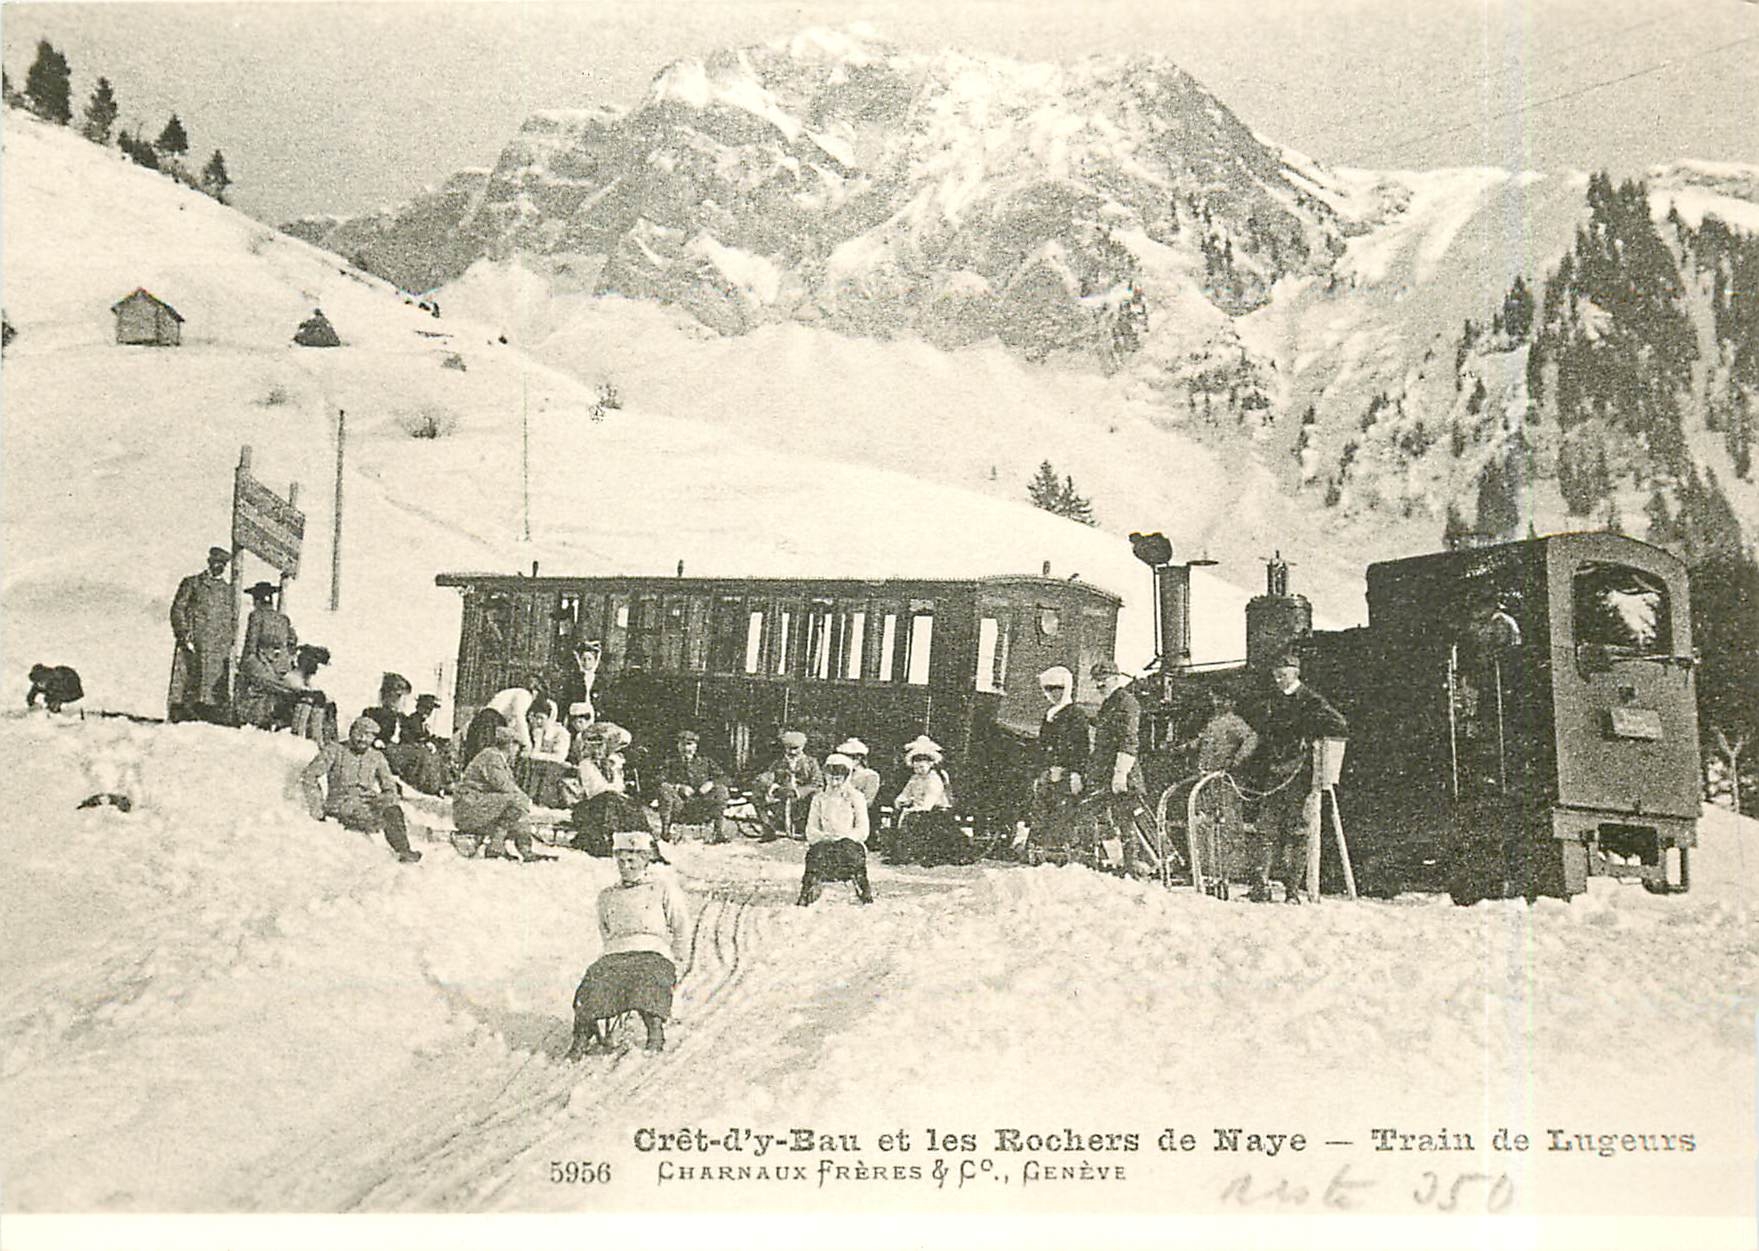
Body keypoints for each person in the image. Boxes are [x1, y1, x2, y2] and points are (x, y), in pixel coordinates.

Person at [567, 829, 692, 1058]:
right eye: (621, 861)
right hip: (617, 951)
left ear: (645, 860)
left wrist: (679, 958)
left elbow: (680, 924)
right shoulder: (608, 895)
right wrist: (611, 952)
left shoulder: (661, 888)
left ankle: (655, 1032)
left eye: (632, 860)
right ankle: (581, 1037)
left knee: (646, 979)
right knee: (595, 980)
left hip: (653, 950)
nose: (626, 866)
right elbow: (606, 930)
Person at [1248, 653, 1347, 904]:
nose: (1278, 680)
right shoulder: (1273, 700)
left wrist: (1311, 738)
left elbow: (1338, 725)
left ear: (1295, 673)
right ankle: (1261, 888)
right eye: (1276, 675)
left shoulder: (1311, 700)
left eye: (1282, 675)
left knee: (1297, 832)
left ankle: (1292, 892)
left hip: (1298, 776)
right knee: (1265, 831)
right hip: (1274, 775)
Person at [299, 715, 422, 863]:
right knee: (373, 819)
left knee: (393, 811)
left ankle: (404, 851)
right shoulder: (335, 750)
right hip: (342, 803)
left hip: (367, 800)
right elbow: (309, 775)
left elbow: (388, 784)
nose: (362, 739)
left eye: (368, 736)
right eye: (359, 734)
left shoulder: (376, 756)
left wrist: (388, 799)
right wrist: (317, 807)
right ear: (351, 733)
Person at [1088, 660, 1149, 875]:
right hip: (1105, 772)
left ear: (1115, 679)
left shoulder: (1126, 703)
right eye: (1096, 681)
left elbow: (1129, 740)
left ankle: (1132, 866)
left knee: (1125, 820)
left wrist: (1120, 773)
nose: (1098, 686)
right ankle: (1117, 861)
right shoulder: (1109, 703)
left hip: (1121, 773)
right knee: (1104, 817)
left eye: (1102, 681)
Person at [452, 723, 542, 861]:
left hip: (479, 805)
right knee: (516, 801)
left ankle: (524, 850)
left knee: (516, 806)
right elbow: (504, 785)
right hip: (469, 806)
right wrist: (525, 800)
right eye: (517, 746)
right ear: (510, 745)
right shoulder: (492, 757)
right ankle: (499, 846)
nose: (517, 751)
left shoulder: (499, 758)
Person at [168, 546, 237, 723]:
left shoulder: (227, 591)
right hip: (193, 645)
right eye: (215, 563)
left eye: (222, 564)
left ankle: (208, 715)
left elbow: (230, 620)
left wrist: (228, 643)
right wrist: (183, 633)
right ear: (209, 562)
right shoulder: (192, 583)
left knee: (211, 689)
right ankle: (182, 715)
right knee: (187, 683)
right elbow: (177, 609)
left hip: (216, 649)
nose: (218, 567)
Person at [1028, 665, 1091, 856]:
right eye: (1047, 689)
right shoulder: (1049, 715)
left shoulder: (1076, 715)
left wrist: (1075, 773)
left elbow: (1081, 747)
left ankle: (1059, 856)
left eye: (1057, 689)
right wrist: (1040, 773)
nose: (1052, 694)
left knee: (1062, 816)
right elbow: (1042, 747)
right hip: (1048, 774)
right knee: (1041, 813)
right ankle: (1040, 854)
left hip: (1065, 775)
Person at [798, 753, 874, 905]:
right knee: (816, 853)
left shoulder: (856, 797)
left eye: (839, 777)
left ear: (846, 777)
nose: (834, 781)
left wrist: (846, 836)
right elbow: (811, 828)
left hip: (848, 841)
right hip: (826, 840)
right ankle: (810, 890)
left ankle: (862, 889)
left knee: (849, 851)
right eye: (831, 776)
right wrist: (823, 836)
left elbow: (863, 828)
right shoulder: (819, 798)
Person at [568, 722, 649, 856]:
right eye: (593, 747)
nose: (597, 751)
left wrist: (613, 769)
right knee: (609, 800)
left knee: (632, 807)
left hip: (613, 803)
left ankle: (645, 845)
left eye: (600, 747)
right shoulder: (585, 765)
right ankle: (607, 843)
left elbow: (619, 787)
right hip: (591, 807)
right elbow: (595, 789)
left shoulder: (612, 765)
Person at [234, 582, 300, 729]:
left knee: (251, 680)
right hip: (282, 666)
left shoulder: (256, 616)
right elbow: (292, 640)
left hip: (264, 664)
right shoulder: (283, 618)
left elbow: (250, 645)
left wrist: (244, 665)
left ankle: (254, 717)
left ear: (256, 600)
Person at [655, 730, 732, 842]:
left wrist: (711, 783)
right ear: (678, 746)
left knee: (721, 790)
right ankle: (665, 832)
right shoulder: (670, 762)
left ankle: (718, 833)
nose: (686, 748)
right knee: (664, 789)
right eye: (682, 744)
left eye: (689, 744)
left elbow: (726, 778)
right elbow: (658, 780)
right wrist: (678, 787)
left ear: (696, 746)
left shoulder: (706, 762)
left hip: (703, 805)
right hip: (680, 805)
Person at [892, 735, 957, 864]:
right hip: (916, 809)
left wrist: (913, 809)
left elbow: (929, 802)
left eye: (922, 767)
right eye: (916, 768)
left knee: (919, 820)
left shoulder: (934, 779)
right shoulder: (914, 778)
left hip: (934, 810)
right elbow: (905, 793)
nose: (919, 771)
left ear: (930, 764)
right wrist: (901, 801)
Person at [755, 730, 822, 838]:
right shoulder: (778, 762)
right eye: (789, 749)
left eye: (796, 749)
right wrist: (775, 788)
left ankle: (808, 829)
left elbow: (817, 783)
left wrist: (797, 792)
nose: (793, 752)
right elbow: (770, 777)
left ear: (803, 747)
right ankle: (768, 828)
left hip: (803, 797)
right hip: (783, 795)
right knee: (758, 794)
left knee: (816, 795)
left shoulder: (811, 762)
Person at [391, 694, 452, 796]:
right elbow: (417, 735)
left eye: (430, 710)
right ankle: (432, 786)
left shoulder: (422, 721)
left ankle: (444, 783)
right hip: (409, 747)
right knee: (429, 756)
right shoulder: (414, 719)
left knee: (442, 753)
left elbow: (425, 736)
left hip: (418, 746)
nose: (427, 712)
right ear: (418, 707)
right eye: (425, 708)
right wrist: (427, 742)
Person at [484, 673, 548, 755]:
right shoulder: (524, 694)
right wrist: (527, 742)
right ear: (535, 691)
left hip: (487, 721)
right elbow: (519, 717)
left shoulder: (511, 692)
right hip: (490, 723)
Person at [284, 644, 336, 742]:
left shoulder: (311, 680)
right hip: (290, 711)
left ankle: (319, 740)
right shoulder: (293, 678)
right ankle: (298, 739)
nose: (316, 667)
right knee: (308, 700)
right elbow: (293, 687)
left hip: (311, 712)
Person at [559, 639, 602, 722]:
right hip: (577, 717)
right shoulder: (574, 679)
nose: (586, 662)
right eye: (584, 659)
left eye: (589, 659)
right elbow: (566, 700)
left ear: (595, 660)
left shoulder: (600, 680)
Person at [836, 738, 882, 809]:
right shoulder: (842, 775)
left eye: (848, 756)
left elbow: (868, 801)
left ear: (858, 758)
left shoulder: (870, 775)